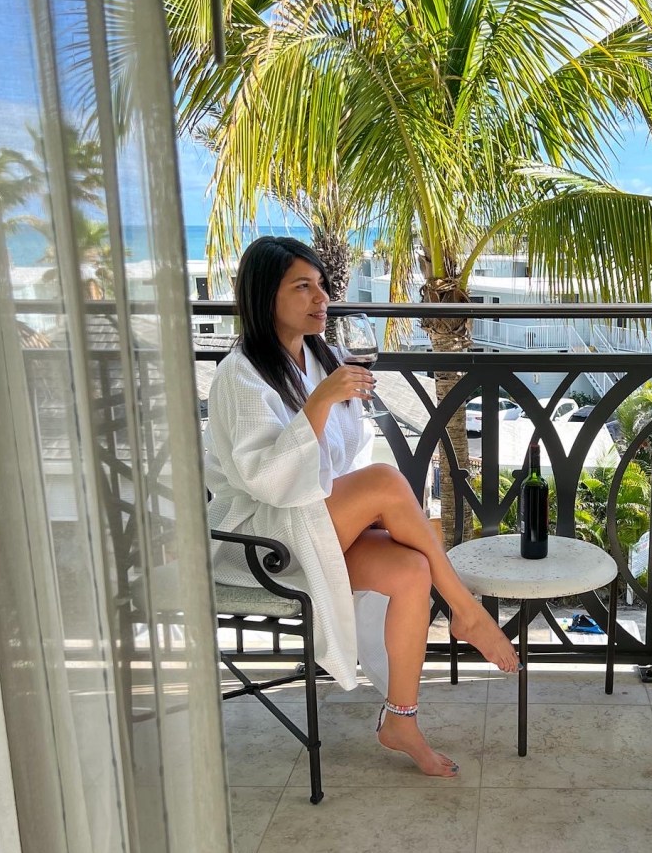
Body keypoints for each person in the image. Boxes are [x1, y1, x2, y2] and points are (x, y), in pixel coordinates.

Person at [204, 236, 518, 778]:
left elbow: (341, 454)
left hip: (311, 519)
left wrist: (335, 411)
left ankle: (401, 720)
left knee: (411, 569)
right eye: (302, 287)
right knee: (386, 480)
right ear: (264, 295)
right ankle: (466, 611)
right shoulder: (241, 373)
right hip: (261, 537)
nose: (320, 298)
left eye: (322, 285)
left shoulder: (316, 356)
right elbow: (266, 479)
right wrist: (323, 400)